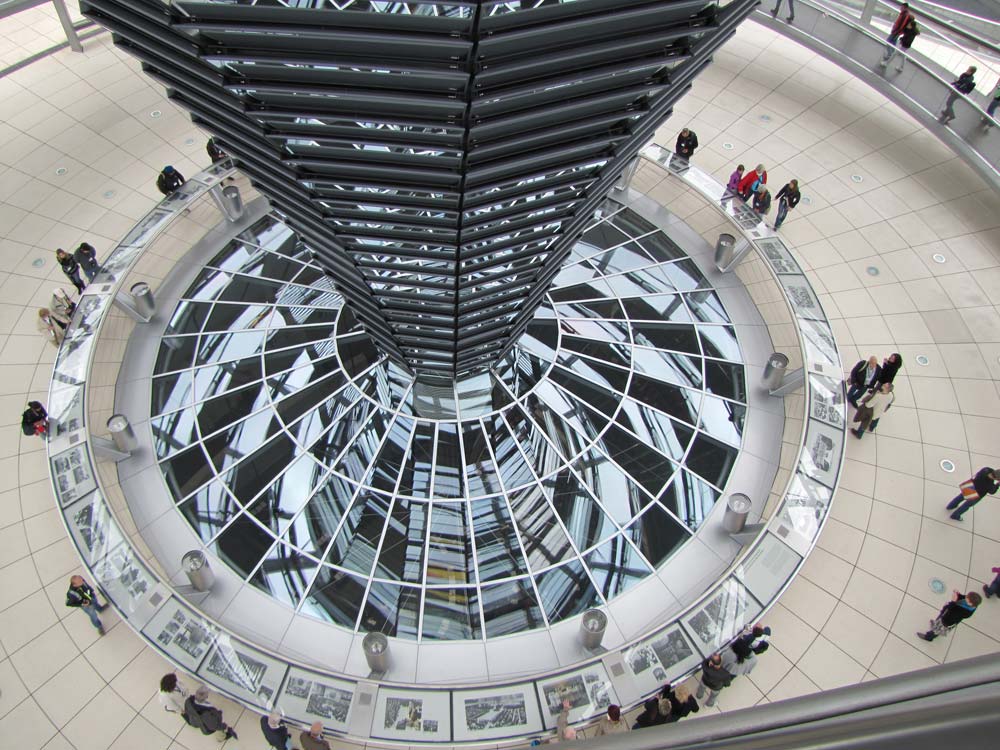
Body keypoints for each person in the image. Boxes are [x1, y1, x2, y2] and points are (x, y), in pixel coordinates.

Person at [917, 590, 981, 642]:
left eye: (967, 598)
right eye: (966, 596)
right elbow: (963, 597)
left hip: (946, 621)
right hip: (944, 616)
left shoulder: (965, 612)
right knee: (937, 623)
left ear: (970, 603)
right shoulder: (970, 602)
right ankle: (935, 625)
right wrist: (958, 594)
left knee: (937, 630)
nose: (965, 597)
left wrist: (953, 601)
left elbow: (951, 611)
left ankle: (929, 637)